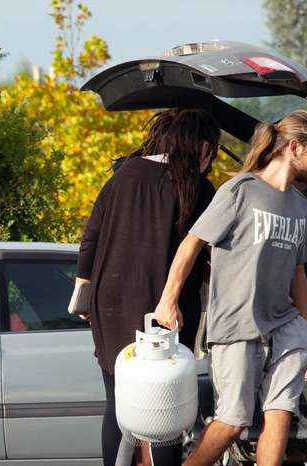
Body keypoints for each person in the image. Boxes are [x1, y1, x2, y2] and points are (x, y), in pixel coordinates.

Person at [154, 110, 307, 466]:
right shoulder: (239, 191)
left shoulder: (300, 205)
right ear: (294, 147)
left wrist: (305, 329)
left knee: (280, 412)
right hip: (236, 326)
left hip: (284, 326)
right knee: (232, 423)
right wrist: (167, 301)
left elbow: (298, 272)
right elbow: (191, 245)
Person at [74, 107, 221, 466]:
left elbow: (90, 239)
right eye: (212, 151)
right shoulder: (197, 188)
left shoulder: (123, 174)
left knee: (117, 400)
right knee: (163, 403)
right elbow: (205, 253)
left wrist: (82, 294)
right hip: (163, 304)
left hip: (108, 302)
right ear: (201, 146)